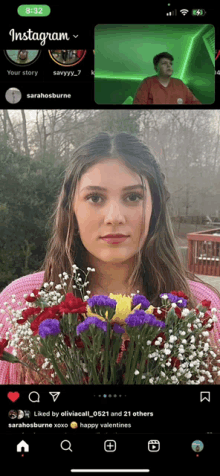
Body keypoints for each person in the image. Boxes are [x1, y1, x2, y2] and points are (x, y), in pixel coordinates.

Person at [0, 132, 219, 384]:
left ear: (154, 207)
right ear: (71, 206)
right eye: (95, 198)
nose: (114, 216)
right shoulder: (17, 305)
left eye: (133, 197)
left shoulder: (202, 309)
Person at [133, 52, 201, 105]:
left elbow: (195, 102)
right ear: (156, 68)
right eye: (164, 63)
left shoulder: (180, 83)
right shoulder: (147, 83)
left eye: (170, 64)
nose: (169, 65)